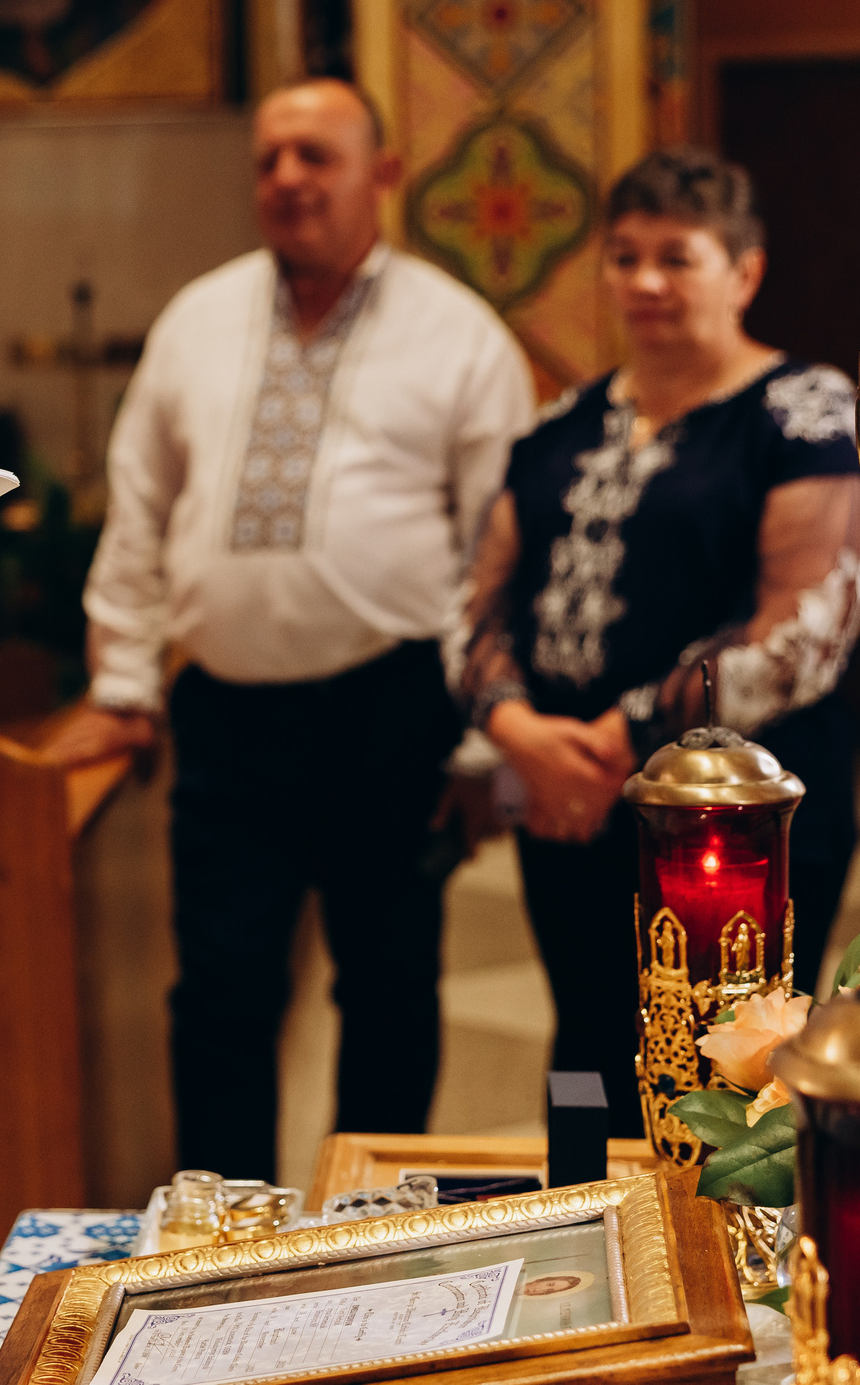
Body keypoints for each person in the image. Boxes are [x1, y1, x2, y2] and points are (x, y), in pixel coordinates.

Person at [49, 77, 535, 1180]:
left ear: (383, 173)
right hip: (226, 716)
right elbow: (139, 507)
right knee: (219, 992)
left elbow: (495, 555)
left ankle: (373, 1225)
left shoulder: (457, 334)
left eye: (316, 156)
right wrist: (123, 683)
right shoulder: (199, 318)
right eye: (269, 158)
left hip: (391, 711)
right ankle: (228, 1231)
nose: (286, 179)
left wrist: (479, 739)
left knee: (387, 985)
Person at [451, 146, 860, 1141]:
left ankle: (730, 1247)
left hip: (738, 818)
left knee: (733, 1068)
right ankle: (583, 1213)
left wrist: (621, 739)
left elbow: (804, 632)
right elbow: (474, 607)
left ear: (744, 271)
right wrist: (516, 731)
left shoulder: (803, 414)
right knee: (585, 1047)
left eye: (676, 258)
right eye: (624, 257)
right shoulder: (559, 426)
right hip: (565, 800)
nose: (645, 282)